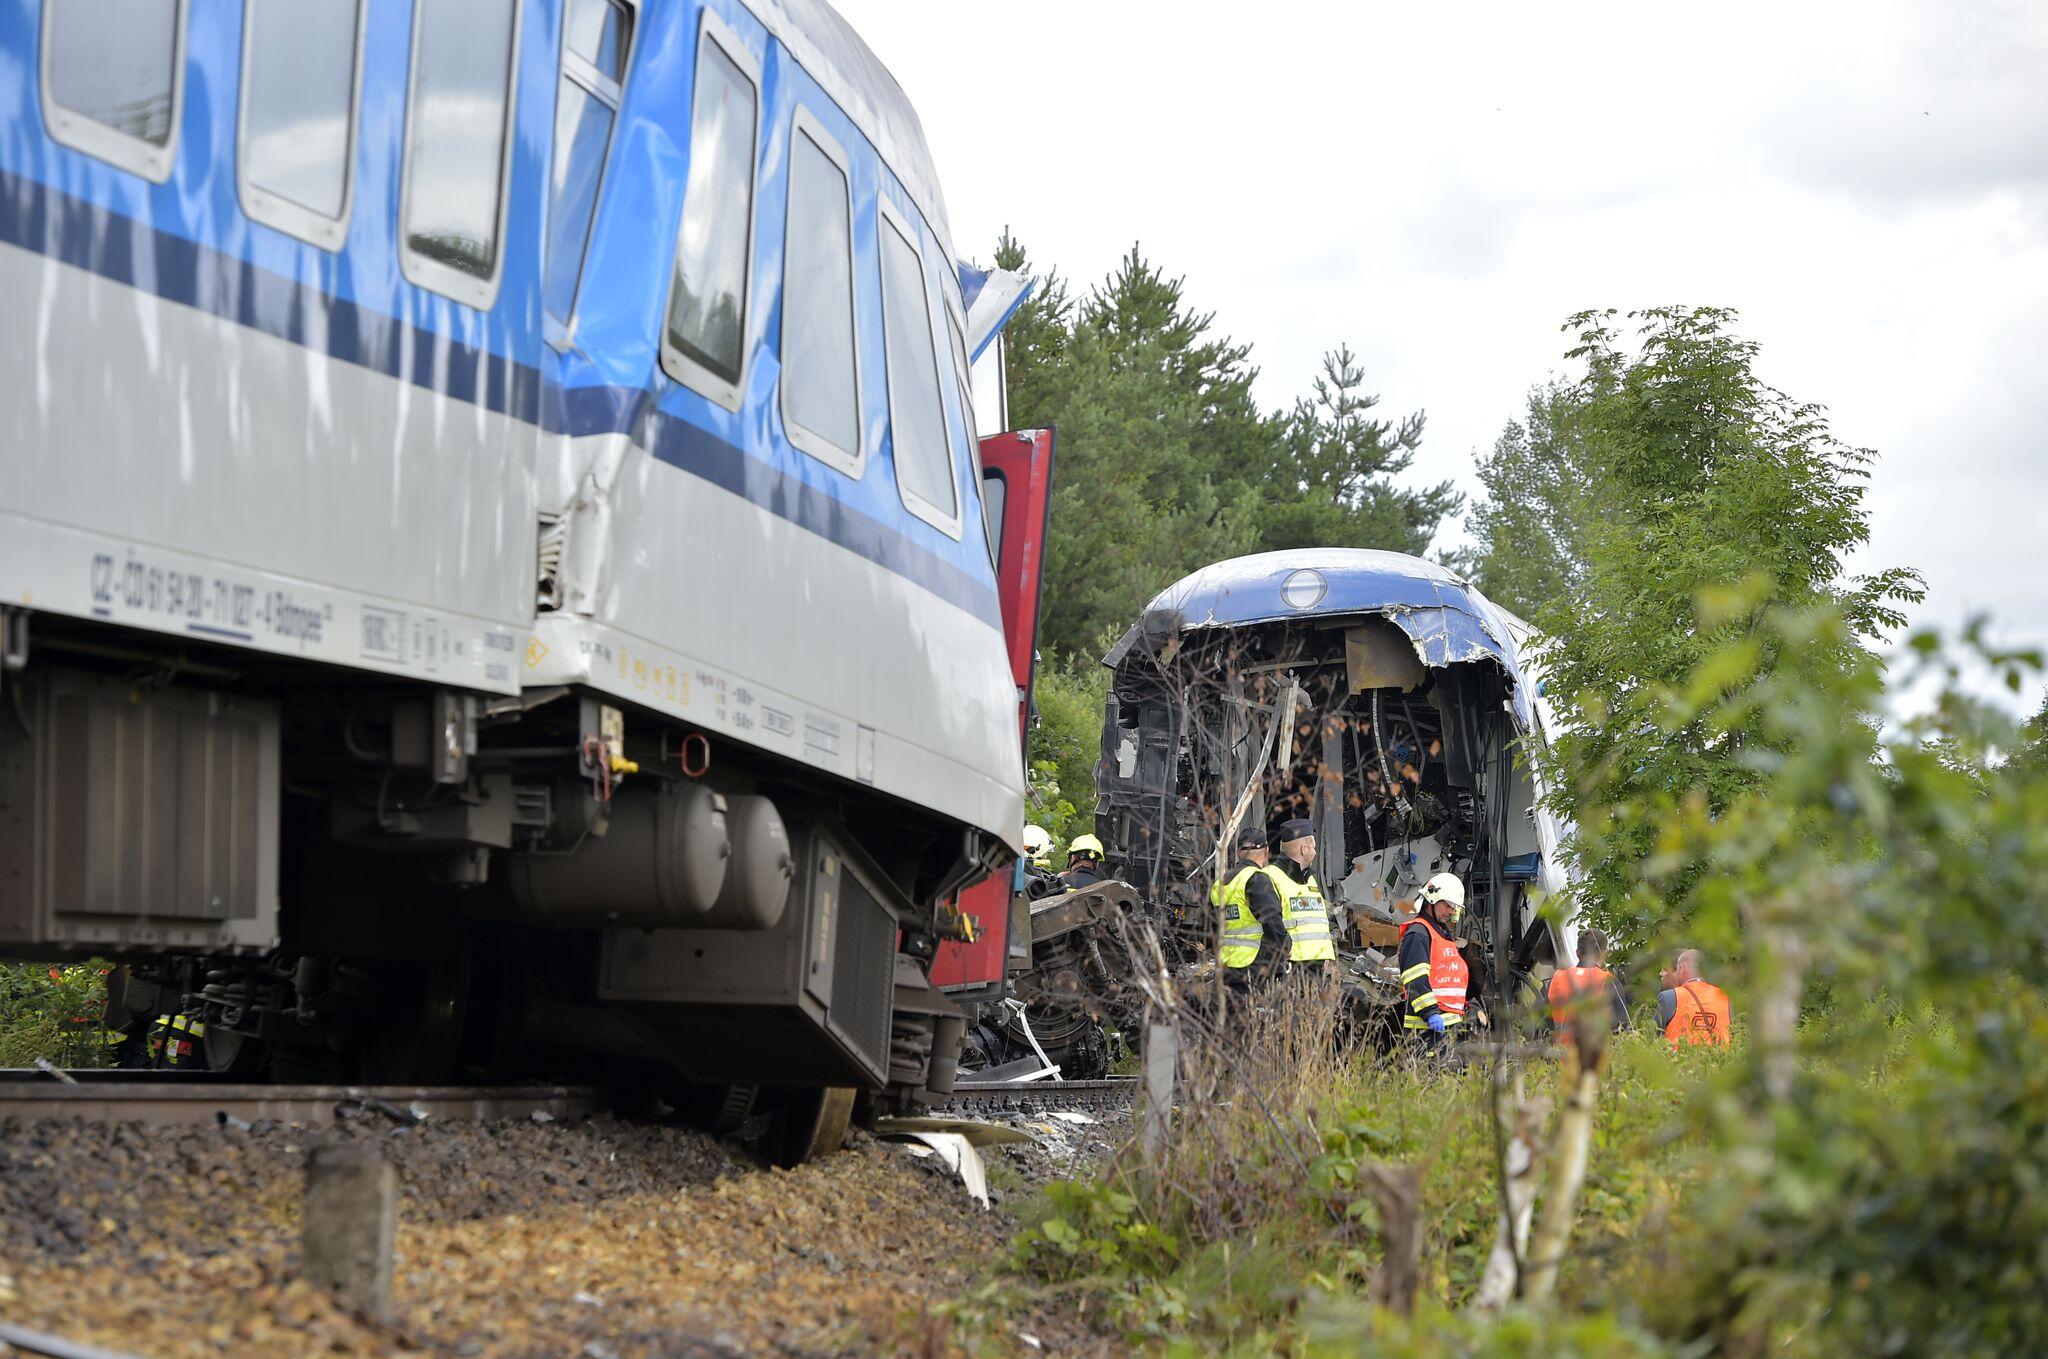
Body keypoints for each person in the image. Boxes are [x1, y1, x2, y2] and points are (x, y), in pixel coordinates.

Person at [1212, 825, 1292, 987]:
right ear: (1266, 851)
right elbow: (1272, 920)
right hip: (1254, 966)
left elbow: (1212, 927)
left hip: (1226, 966)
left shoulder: (1219, 885)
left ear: (1238, 852)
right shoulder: (1256, 878)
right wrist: (1286, 945)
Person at [1398, 873, 1469, 1047]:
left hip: (1446, 1027)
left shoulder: (1441, 934)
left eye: (1454, 907)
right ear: (1432, 900)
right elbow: (1415, 979)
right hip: (1426, 1030)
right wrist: (1430, 1013)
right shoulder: (1418, 934)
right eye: (1447, 905)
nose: (1451, 911)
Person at [1273, 818, 1336, 974]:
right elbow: (1270, 923)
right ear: (1304, 849)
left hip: (1316, 966)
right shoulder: (1270, 877)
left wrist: (1326, 955)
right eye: (1313, 847)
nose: (1315, 852)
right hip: (1292, 966)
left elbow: (1317, 923)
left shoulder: (1309, 879)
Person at [1546, 928, 1629, 1046]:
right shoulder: (1608, 980)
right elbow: (1622, 1026)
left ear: (1577, 953)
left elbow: (1542, 1024)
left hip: (1559, 1057)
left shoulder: (1557, 979)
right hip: (1593, 1059)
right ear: (1605, 952)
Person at [1657, 948, 1732, 1047]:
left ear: (1682, 969)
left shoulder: (1669, 997)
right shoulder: (1724, 998)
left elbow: (1652, 1037)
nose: (1661, 973)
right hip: (1717, 1061)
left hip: (1678, 1061)